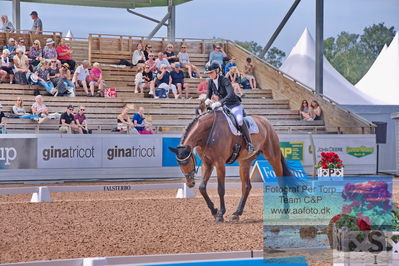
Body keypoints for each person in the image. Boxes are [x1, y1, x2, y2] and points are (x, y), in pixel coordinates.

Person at [204, 62, 254, 153]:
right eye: (208, 73)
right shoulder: (210, 81)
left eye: (211, 72)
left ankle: (249, 143)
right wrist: (207, 99)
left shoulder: (224, 80)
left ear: (217, 71)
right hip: (224, 106)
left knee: (239, 121)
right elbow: (209, 94)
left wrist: (219, 102)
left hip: (234, 104)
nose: (209, 75)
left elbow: (230, 94)